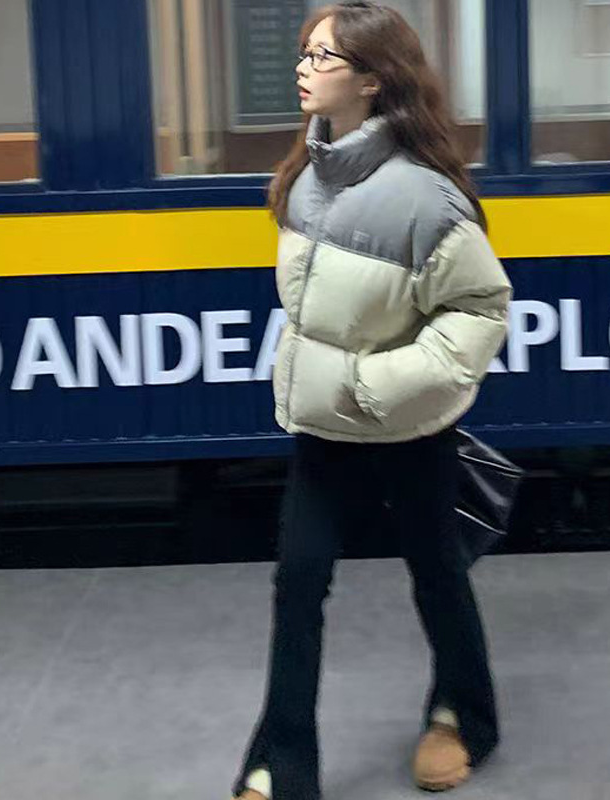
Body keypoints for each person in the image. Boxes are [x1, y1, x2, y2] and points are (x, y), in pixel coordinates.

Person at [230, 3, 512, 798]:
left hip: (406, 424)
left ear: (372, 80)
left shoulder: (426, 198)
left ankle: (464, 715)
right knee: (298, 583)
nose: (302, 68)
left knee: (436, 571)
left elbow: (480, 311)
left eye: (322, 58)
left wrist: (373, 384)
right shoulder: (306, 176)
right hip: (324, 424)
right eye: (304, 53)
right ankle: (281, 763)